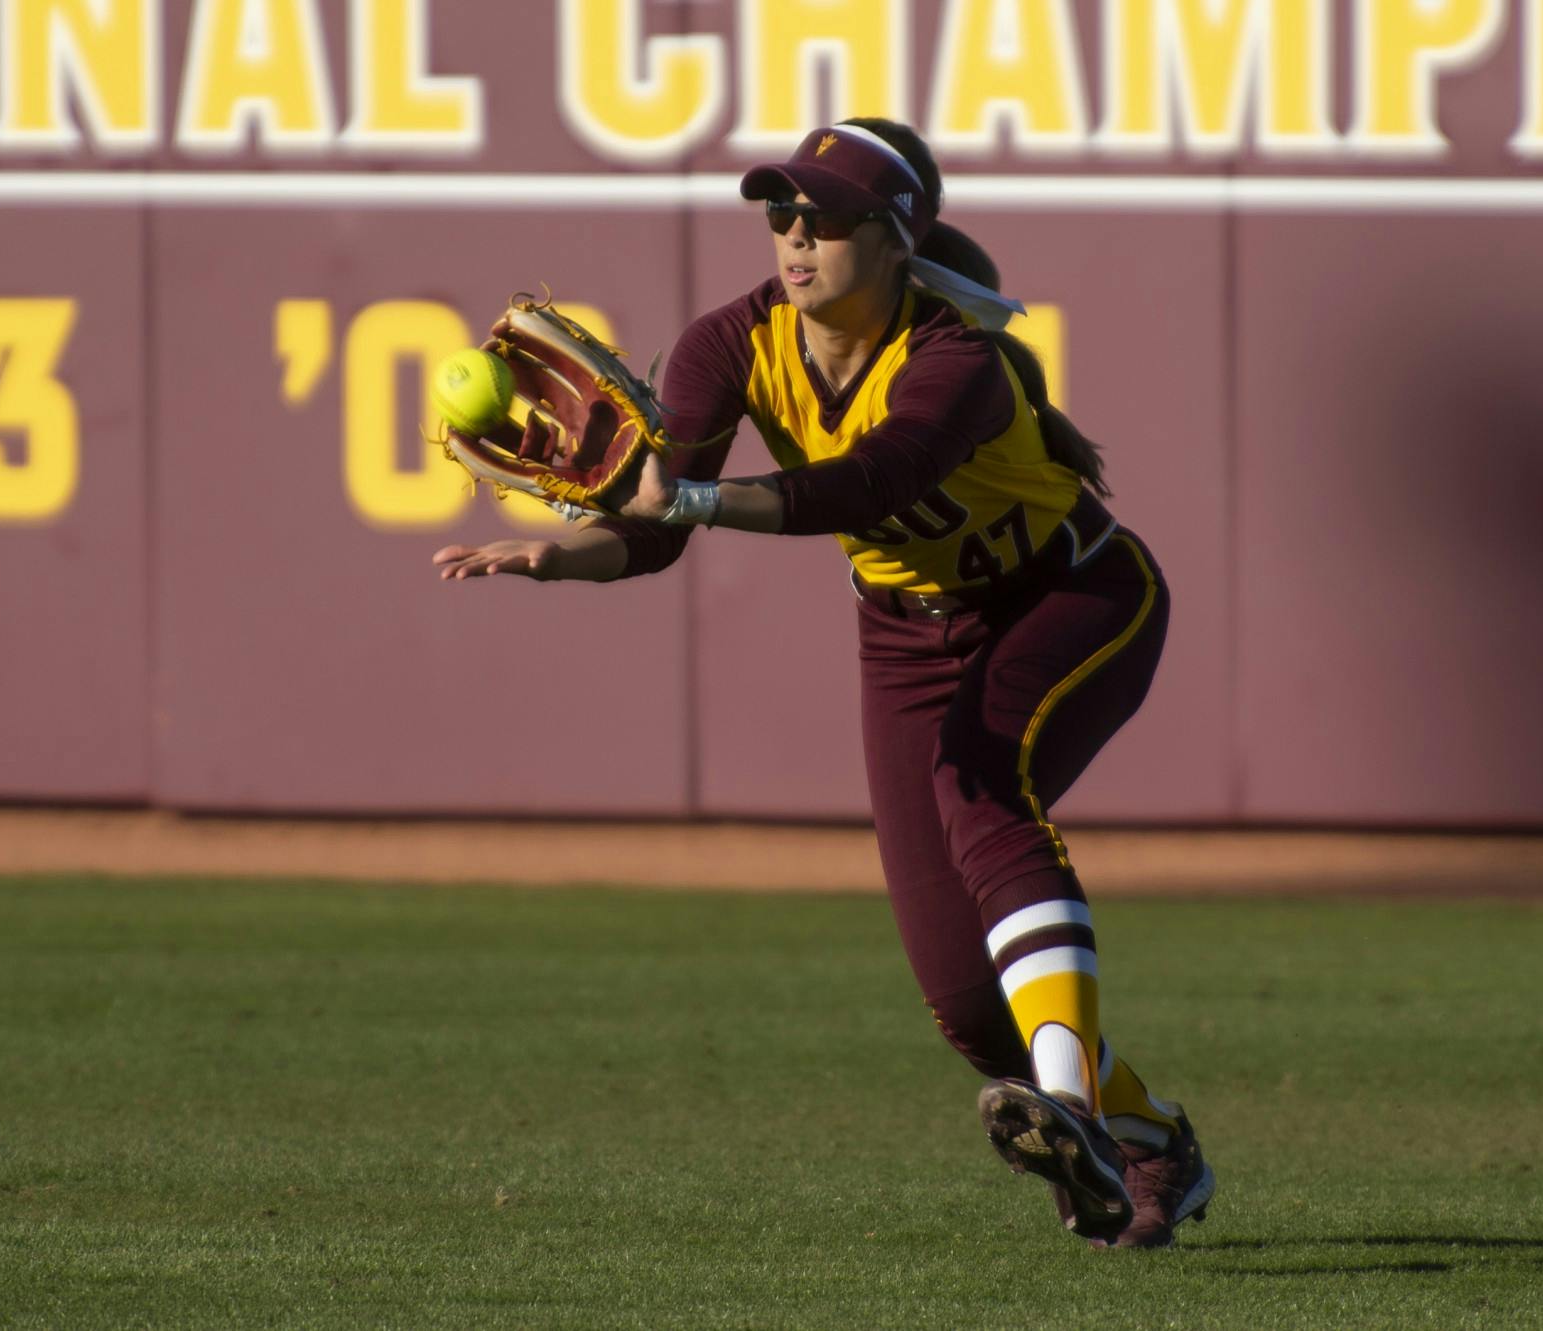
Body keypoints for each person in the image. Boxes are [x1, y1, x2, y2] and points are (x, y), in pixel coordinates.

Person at [432, 117, 1214, 1248]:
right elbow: (652, 535)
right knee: (961, 996)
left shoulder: (957, 358)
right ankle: (1147, 1143)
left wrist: (686, 499)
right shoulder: (727, 344)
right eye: (779, 212)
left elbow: (865, 483)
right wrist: (567, 554)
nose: (794, 236)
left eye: (826, 216)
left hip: (1069, 597)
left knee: (981, 784)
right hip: (902, 635)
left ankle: (1077, 1115)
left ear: (897, 238)